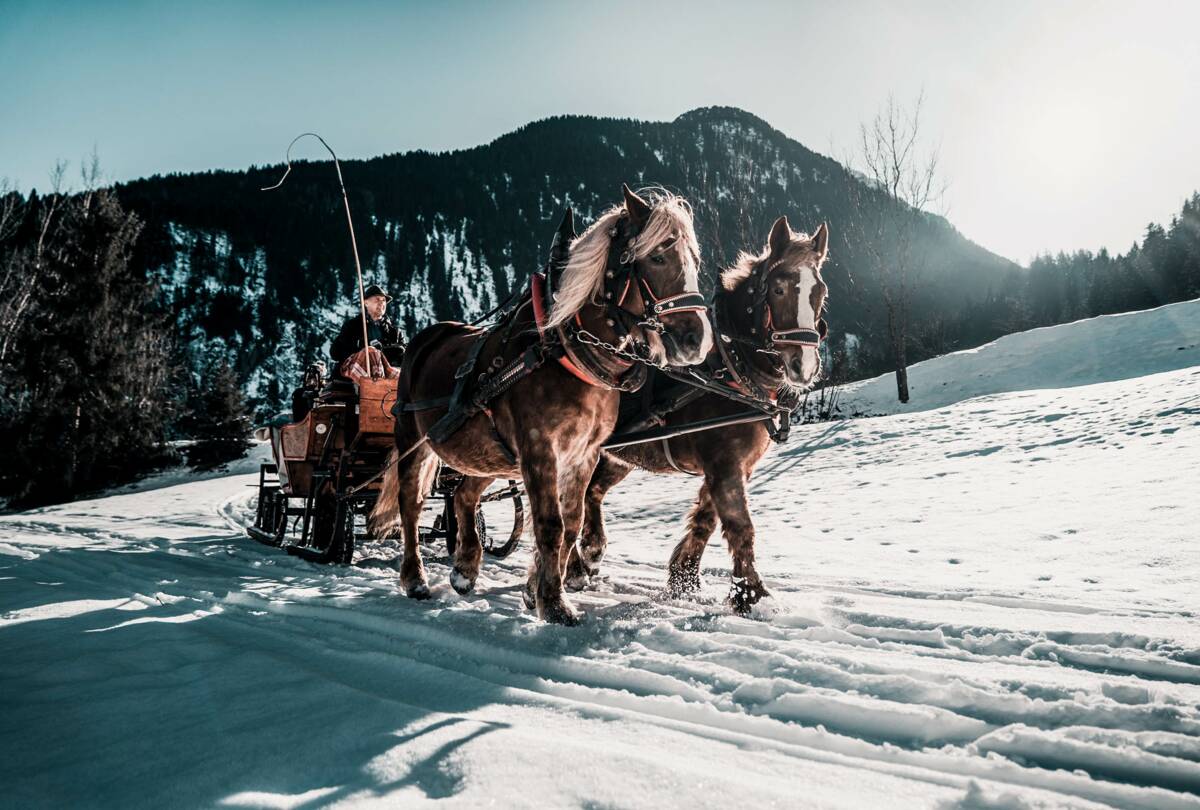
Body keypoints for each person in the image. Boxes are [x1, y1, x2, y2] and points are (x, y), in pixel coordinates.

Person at [330, 283, 406, 371]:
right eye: (377, 299)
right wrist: (364, 348)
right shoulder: (352, 326)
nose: (382, 303)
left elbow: (405, 356)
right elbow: (336, 353)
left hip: (386, 376)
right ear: (366, 303)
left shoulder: (395, 332)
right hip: (357, 375)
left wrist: (390, 351)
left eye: (384, 300)